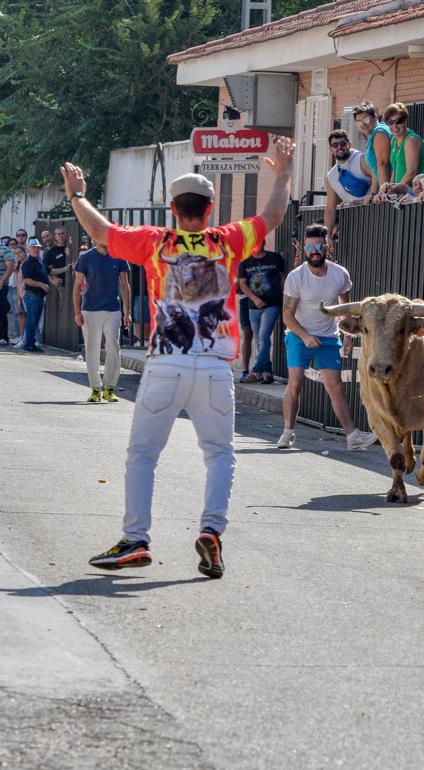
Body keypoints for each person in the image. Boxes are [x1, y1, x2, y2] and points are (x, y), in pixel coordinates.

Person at [60, 137, 294, 577]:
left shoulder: (155, 242)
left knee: (143, 454)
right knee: (219, 453)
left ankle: (136, 539)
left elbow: (99, 232)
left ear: (173, 208)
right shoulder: (227, 240)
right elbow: (274, 215)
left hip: (165, 363)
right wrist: (282, 173)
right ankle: (211, 532)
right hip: (214, 367)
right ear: (209, 210)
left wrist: (78, 194)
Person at [277, 222, 377, 452]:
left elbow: (347, 309)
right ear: (304, 249)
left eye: (318, 246)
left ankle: (353, 437)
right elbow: (287, 315)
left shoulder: (340, 275)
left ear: (327, 247)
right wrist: (305, 336)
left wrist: (349, 337)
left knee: (335, 386)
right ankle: (287, 433)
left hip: (329, 338)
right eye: (309, 247)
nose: (313, 251)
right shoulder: (296, 277)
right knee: (296, 382)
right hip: (298, 334)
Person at [73, 240, 131, 403]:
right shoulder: (85, 258)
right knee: (92, 349)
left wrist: (128, 311)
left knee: (114, 346)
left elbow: (125, 285)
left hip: (113, 308)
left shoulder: (119, 256)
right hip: (90, 309)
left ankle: (110, 387)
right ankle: (96, 388)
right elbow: (77, 286)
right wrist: (77, 312)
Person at [238, 240, 285, 384]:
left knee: (264, 336)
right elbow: (242, 284)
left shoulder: (275, 258)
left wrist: (284, 302)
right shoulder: (245, 262)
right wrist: (254, 299)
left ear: (264, 242)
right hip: (253, 306)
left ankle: (257, 370)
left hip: (272, 304)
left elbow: (283, 279)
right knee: (259, 339)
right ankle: (267, 372)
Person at [323, 129, 375, 235]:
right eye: (335, 145)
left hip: (375, 215)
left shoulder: (362, 159)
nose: (339, 147)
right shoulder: (331, 176)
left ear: (349, 144)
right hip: (353, 225)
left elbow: (377, 175)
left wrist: (373, 194)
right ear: (330, 149)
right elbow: (330, 209)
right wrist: (327, 235)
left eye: (342, 143)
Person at [383, 102, 424, 190]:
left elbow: (411, 172)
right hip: (406, 192)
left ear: (405, 121)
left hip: (423, 191)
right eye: (390, 122)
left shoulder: (410, 140)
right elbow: (395, 171)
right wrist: (389, 188)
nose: (394, 126)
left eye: (398, 121)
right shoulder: (394, 140)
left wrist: (394, 190)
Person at [352, 101, 391, 193]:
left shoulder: (379, 133)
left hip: (392, 189)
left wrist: (383, 193)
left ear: (375, 117)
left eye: (366, 120)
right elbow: (375, 169)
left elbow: (383, 164)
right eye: (359, 122)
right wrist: (373, 194)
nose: (363, 124)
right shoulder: (373, 135)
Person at [20, 238, 48, 352]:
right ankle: (29, 344)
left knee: (34, 321)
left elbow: (49, 271)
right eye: (33, 247)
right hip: (32, 295)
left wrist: (65, 268)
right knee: (32, 320)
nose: (36, 249)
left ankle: (31, 343)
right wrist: (42, 285)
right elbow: (27, 280)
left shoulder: (39, 261)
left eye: (38, 247)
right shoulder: (28, 263)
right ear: (29, 249)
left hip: (38, 296)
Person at [10, 246, 27, 347]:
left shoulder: (27, 264)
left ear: (24, 252)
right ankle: (21, 336)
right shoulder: (19, 266)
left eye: (19, 252)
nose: (18, 255)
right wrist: (19, 298)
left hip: (28, 293)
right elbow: (18, 283)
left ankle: (26, 338)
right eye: (16, 254)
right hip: (20, 293)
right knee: (20, 315)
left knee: (27, 316)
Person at [0, 237, 15, 346]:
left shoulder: (5, 250)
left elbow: (10, 267)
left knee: (1, 311)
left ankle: (3, 337)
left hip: (1, 286)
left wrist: (2, 281)